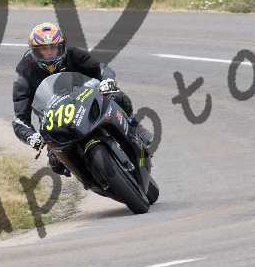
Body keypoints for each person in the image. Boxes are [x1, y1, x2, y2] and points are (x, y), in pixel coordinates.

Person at [11, 21, 152, 177]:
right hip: (56, 119)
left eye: (53, 48)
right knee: (56, 163)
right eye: (43, 49)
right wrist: (30, 136)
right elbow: (20, 119)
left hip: (85, 97)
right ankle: (90, 178)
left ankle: (134, 126)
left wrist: (107, 81)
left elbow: (100, 68)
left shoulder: (72, 54)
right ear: (34, 52)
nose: (49, 53)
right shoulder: (26, 73)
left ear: (62, 46)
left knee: (118, 96)